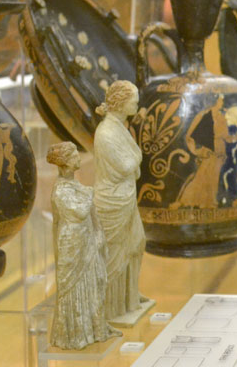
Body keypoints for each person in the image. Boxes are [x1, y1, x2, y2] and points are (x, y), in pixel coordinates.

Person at [47, 141, 121, 350]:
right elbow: (79, 213)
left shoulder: (75, 185)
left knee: (94, 280)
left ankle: (95, 328)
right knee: (74, 286)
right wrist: (89, 194)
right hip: (72, 241)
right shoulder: (60, 190)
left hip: (86, 238)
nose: (79, 158)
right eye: (74, 156)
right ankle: (74, 334)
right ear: (66, 162)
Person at [93, 80, 149, 319]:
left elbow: (133, 160)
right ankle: (113, 307)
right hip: (112, 200)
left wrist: (135, 157)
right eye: (133, 100)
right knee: (115, 255)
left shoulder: (119, 128)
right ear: (120, 102)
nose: (136, 104)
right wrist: (136, 156)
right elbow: (127, 164)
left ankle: (131, 296)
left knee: (137, 243)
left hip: (125, 197)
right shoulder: (106, 133)